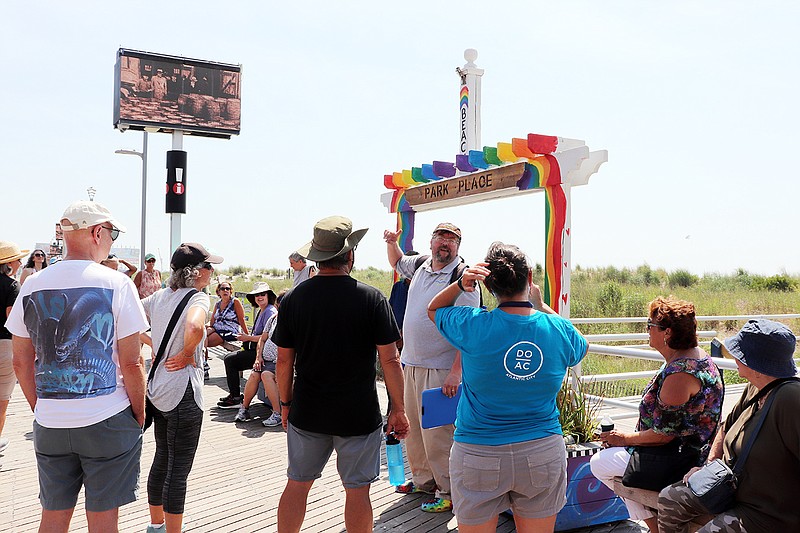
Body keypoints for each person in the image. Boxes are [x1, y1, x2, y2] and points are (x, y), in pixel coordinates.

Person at [428, 241, 589, 532]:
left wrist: (460, 284)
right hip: (541, 449)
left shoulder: (473, 325)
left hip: (478, 451)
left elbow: (434, 308)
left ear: (488, 285)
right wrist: (540, 306)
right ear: (529, 278)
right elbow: (580, 342)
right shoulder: (557, 330)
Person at [7, 201, 148, 533]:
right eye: (112, 233)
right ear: (97, 232)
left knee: (53, 517)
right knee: (103, 522)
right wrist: (139, 414)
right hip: (107, 418)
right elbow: (132, 361)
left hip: (51, 421)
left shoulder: (32, 284)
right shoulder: (117, 284)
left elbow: (20, 360)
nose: (111, 240)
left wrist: (41, 407)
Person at [273, 215, 409, 533]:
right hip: (358, 414)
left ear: (317, 257)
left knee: (297, 484)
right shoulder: (372, 298)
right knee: (358, 491)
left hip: (307, 411)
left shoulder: (294, 299)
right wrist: (398, 409)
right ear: (350, 255)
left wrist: (285, 403)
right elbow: (391, 360)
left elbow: (283, 362)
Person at [589, 296, 724, 533]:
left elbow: (664, 436)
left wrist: (624, 439)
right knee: (617, 463)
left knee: (599, 463)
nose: (647, 330)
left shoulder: (680, 375)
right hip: (685, 452)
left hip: (679, 460)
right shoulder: (698, 356)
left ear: (667, 333)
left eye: (650, 325)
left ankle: (655, 529)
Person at [658, 319, 800, 533]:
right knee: (668, 499)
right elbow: (726, 426)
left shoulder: (791, 398)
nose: (733, 357)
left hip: (766, 511)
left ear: (757, 364)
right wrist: (707, 467)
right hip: (730, 487)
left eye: (739, 353)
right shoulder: (755, 386)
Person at [383, 222, 480, 513]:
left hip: (440, 369)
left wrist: (456, 371)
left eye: (452, 240)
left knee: (439, 433)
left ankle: (448, 491)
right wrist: (392, 242)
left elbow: (469, 329)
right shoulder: (421, 265)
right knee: (412, 428)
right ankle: (424, 482)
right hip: (411, 363)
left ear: (458, 247)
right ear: (432, 242)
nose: (445, 244)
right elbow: (398, 261)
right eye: (441, 238)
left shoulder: (463, 278)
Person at [140, 242, 221, 533]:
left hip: (157, 388)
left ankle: (156, 524)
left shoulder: (159, 296)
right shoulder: (198, 299)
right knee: (179, 469)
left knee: (161, 457)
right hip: (183, 391)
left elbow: (131, 321)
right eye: (210, 266)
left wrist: (154, 344)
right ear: (197, 272)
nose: (213, 272)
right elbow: (196, 328)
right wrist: (187, 354)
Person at [216, 282, 276, 409]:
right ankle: (235, 396)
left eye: (262, 294)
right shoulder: (262, 310)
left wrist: (247, 338)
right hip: (257, 350)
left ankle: (236, 397)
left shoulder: (270, 311)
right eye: (257, 295)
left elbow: (269, 337)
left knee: (230, 360)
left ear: (268, 296)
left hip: (264, 354)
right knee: (231, 358)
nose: (259, 297)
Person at [234, 289, 287, 427]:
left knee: (266, 375)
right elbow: (262, 340)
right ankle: (244, 408)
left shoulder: (294, 321)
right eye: (280, 304)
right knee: (253, 375)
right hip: (265, 360)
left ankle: (277, 414)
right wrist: (258, 358)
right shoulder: (273, 319)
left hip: (279, 362)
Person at [0, 240, 27, 454]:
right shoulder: (11, 285)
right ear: (8, 264)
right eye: (17, 260)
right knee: (2, 398)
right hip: (4, 345)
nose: (20, 263)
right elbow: (12, 318)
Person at [205, 281, 248, 349]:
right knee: (200, 335)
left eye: (227, 289)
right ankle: (202, 358)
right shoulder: (218, 304)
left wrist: (247, 336)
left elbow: (241, 319)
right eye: (222, 289)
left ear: (230, 291)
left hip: (229, 330)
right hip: (216, 328)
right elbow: (213, 319)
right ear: (218, 292)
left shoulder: (235, 302)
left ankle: (202, 359)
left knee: (204, 341)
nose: (225, 290)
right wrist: (209, 328)